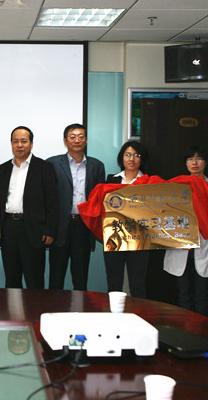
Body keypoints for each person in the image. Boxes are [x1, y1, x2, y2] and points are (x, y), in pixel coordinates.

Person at [0, 126, 59, 289]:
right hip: (8, 228)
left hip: (33, 229)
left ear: (31, 144)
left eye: (24, 141)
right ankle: (13, 307)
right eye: (15, 141)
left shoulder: (44, 167)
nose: (19, 145)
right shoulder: (3, 169)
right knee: (11, 279)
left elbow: (53, 202)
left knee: (34, 280)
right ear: (11, 144)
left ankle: (35, 307)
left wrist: (50, 230)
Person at [163, 147, 208, 317]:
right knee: (183, 294)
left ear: (206, 162)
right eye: (190, 159)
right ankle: (185, 330)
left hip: (204, 244)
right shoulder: (176, 186)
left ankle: (202, 331)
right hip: (181, 246)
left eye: (198, 159)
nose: (194, 163)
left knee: (202, 296)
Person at [47, 123, 105, 291]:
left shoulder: (97, 166)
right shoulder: (52, 163)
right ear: (65, 140)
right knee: (56, 279)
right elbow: (47, 198)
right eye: (72, 137)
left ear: (86, 140)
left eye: (81, 137)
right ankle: (53, 307)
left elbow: (100, 200)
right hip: (60, 228)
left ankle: (80, 307)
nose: (77, 140)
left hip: (83, 227)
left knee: (80, 279)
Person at [103, 140, 150, 299]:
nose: (131, 159)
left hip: (140, 239)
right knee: (114, 283)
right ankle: (114, 313)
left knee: (138, 284)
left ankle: (139, 313)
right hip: (114, 237)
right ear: (121, 158)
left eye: (136, 155)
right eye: (127, 155)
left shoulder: (150, 182)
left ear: (142, 159)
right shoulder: (112, 179)